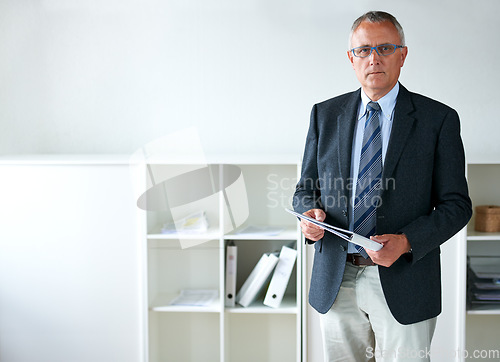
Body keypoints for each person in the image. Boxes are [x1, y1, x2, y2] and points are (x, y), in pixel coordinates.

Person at [293, 11, 472, 362]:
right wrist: (309, 215)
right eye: (363, 50)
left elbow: (456, 205)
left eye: (385, 48)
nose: (373, 58)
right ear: (351, 58)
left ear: (402, 55)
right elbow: (305, 189)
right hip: (336, 276)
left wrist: (406, 242)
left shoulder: (438, 120)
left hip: (404, 278)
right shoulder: (324, 115)